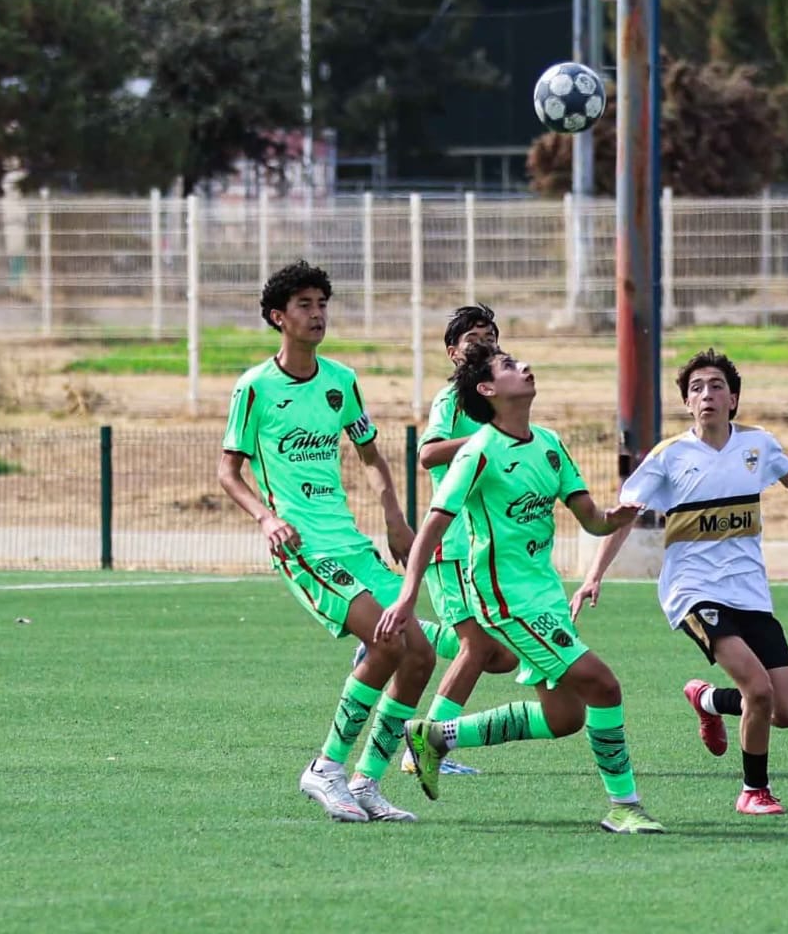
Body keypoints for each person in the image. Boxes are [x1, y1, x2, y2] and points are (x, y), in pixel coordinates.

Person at [570, 348, 788, 816]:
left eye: (716, 386)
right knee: (759, 690)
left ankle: (708, 699)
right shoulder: (669, 457)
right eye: (696, 389)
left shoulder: (757, 446)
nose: (706, 395)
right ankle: (754, 791)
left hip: (749, 592)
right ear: (687, 404)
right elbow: (625, 517)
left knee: (786, 711)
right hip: (694, 593)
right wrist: (594, 576)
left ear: (733, 399)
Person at [375, 343, 665, 834]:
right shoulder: (478, 453)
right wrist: (407, 593)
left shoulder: (549, 443)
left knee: (564, 717)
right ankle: (625, 806)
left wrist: (613, 519)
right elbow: (432, 526)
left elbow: (590, 518)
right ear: (487, 390)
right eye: (510, 366)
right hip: (503, 599)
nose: (525, 367)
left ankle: (436, 735)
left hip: (544, 594)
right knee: (603, 684)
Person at [218, 259, 451, 825]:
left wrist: (397, 519)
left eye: (322, 303)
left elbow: (371, 455)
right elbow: (228, 472)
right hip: (305, 549)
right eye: (304, 304)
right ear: (278, 317)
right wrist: (266, 519)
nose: (317, 313)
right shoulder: (254, 388)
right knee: (388, 642)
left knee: (418, 654)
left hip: (350, 541)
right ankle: (326, 767)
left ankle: (368, 780)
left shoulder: (340, 382)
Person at [407, 303, 520, 772]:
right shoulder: (452, 398)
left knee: (504, 657)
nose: (485, 342)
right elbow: (428, 453)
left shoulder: (499, 400)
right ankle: (428, 745)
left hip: (486, 546)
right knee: (477, 648)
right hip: (449, 543)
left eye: (490, 334)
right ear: (454, 352)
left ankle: (404, 639)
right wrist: (484, 439)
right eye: (473, 337)